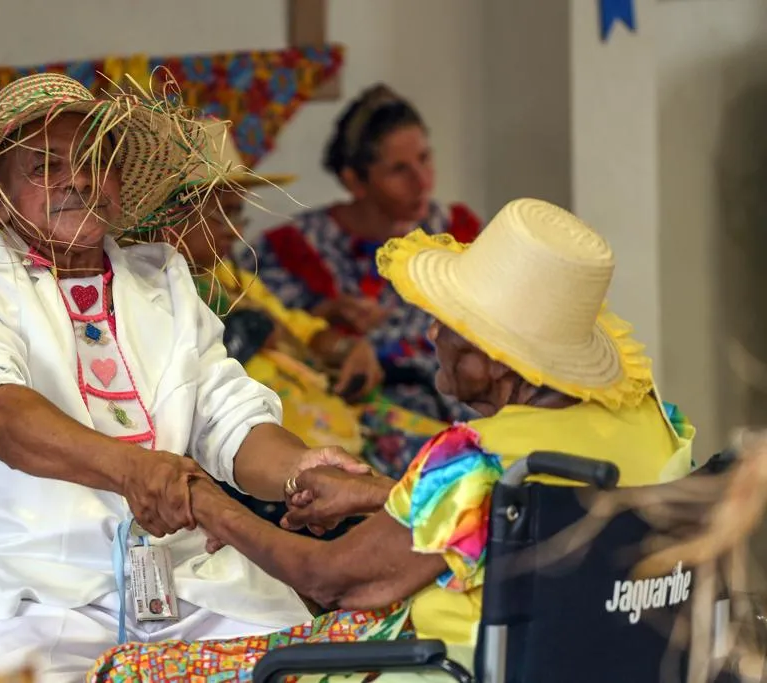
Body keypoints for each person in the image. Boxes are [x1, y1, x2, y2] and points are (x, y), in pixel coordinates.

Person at [87, 198, 696, 681]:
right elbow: (524, 509)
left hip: (434, 666)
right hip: (601, 661)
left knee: (127, 672)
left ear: (503, 364)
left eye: (452, 323)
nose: (430, 332)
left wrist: (205, 501)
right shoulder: (651, 418)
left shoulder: (476, 455)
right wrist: (384, 493)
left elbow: (330, 578)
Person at [0, 73, 366, 681]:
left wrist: (302, 472)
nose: (79, 179)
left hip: (195, 585)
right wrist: (133, 470)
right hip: (32, 596)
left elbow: (230, 417)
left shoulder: (162, 277)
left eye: (98, 161)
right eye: (44, 165)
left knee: (311, 667)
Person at [165, 119, 449, 484]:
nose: (235, 231)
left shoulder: (234, 278)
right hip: (276, 444)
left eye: (237, 213)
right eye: (220, 214)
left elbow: (301, 329)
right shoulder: (164, 293)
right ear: (171, 216)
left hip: (330, 418)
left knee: (450, 456)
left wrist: (348, 347)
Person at [238, 84, 482, 478]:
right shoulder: (296, 250)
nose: (422, 182)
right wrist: (325, 313)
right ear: (354, 180)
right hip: (362, 417)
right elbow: (269, 334)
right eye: (399, 170)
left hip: (468, 401)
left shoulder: (457, 233)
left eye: (424, 159)